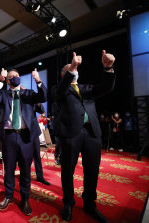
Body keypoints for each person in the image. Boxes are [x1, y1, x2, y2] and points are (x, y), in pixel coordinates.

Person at [55, 50, 115, 223]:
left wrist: (108, 68)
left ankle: (89, 203)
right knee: (67, 171)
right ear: (64, 74)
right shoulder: (59, 89)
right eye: (69, 69)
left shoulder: (87, 88)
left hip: (92, 133)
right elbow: (59, 91)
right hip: (70, 134)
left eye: (75, 68)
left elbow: (107, 87)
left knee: (92, 170)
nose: (74, 70)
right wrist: (71, 68)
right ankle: (68, 203)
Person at [0, 68, 47, 216]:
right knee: (9, 169)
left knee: (25, 170)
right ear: (8, 80)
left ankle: (24, 199)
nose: (14, 78)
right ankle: (9, 196)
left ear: (19, 79)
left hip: (26, 136)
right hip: (9, 136)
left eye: (16, 76)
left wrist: (38, 81)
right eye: (11, 77)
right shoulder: (3, 94)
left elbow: (43, 97)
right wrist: (0, 80)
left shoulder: (28, 93)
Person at [33, 103, 51, 185]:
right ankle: (24, 176)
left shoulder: (31, 99)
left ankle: (40, 177)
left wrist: (38, 101)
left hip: (33, 132)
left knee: (37, 156)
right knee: (24, 157)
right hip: (22, 133)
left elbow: (41, 110)